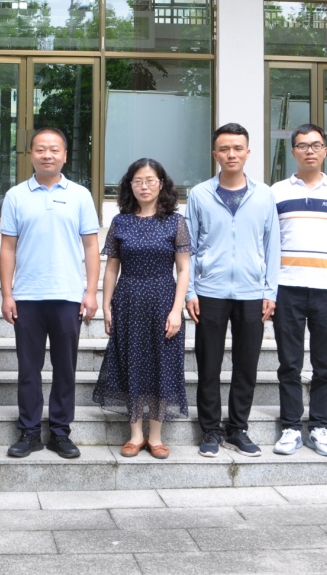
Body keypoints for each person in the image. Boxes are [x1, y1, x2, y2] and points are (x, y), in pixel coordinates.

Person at [0, 127, 100, 459]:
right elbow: (8, 248)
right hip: (27, 296)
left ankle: (60, 432)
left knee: (65, 368)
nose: (47, 155)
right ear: (31, 154)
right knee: (28, 369)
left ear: (65, 156)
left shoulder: (80, 195)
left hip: (68, 295)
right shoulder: (15, 195)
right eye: (41, 149)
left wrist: (91, 292)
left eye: (54, 149)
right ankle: (29, 432)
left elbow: (91, 246)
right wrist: (7, 295)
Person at [185, 122, 280, 459]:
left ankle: (238, 428)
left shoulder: (264, 195)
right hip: (209, 292)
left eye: (238, 148)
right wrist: (190, 292)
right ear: (215, 154)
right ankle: (210, 430)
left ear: (248, 153)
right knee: (208, 365)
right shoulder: (199, 194)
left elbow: (272, 246)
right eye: (224, 148)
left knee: (246, 365)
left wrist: (270, 291)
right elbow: (188, 247)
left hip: (252, 292)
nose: (231, 154)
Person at [270, 122, 327, 458]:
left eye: (316, 145)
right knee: (289, 363)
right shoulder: (277, 192)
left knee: (325, 365)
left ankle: (320, 426)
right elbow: (269, 244)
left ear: (325, 151)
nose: (310, 151)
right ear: (293, 151)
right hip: (288, 287)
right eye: (303, 145)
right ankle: (291, 427)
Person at [93, 158, 190, 459]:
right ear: (129, 185)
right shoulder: (120, 221)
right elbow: (112, 267)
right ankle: (135, 434)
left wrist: (177, 310)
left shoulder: (175, 222)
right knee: (131, 362)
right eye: (137, 181)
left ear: (161, 184)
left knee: (162, 364)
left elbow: (184, 269)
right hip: (128, 299)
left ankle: (156, 437)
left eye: (150, 180)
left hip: (163, 299)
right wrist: (106, 305)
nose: (144, 186)